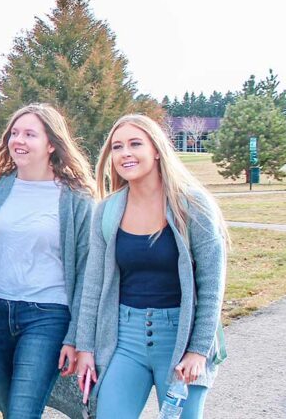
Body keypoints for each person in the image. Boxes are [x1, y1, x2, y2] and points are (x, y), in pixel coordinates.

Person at [74, 114, 229, 419]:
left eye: (135, 144)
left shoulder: (193, 205)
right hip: (124, 339)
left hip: (181, 339)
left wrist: (198, 350)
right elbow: (93, 284)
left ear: (156, 150)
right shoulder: (107, 211)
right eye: (117, 147)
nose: (125, 153)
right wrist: (85, 348)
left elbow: (212, 285)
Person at [0, 104, 97, 418]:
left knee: (21, 412)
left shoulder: (76, 197)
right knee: (11, 411)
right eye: (14, 133)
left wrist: (76, 336)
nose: (19, 140)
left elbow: (87, 272)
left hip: (47, 317)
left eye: (30, 134)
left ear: (52, 144)